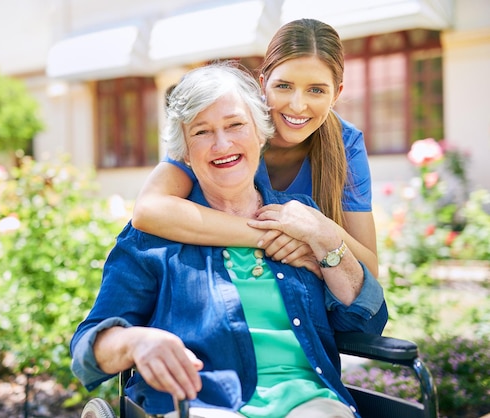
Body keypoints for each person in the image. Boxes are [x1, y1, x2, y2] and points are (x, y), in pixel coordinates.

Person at [70, 63, 388, 418]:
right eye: (202, 132)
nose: (222, 144)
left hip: (310, 403)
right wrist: (135, 342)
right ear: (185, 152)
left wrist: (327, 240)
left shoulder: (302, 219)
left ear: (261, 133)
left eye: (236, 125)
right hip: (202, 403)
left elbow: (366, 322)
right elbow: (88, 345)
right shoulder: (154, 238)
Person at [131, 18, 378, 278]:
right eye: (284, 86)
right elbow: (149, 210)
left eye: (316, 90)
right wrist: (274, 235)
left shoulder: (346, 143)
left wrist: (319, 229)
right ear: (263, 83)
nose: (297, 105)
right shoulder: (226, 124)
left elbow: (370, 271)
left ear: (336, 94)